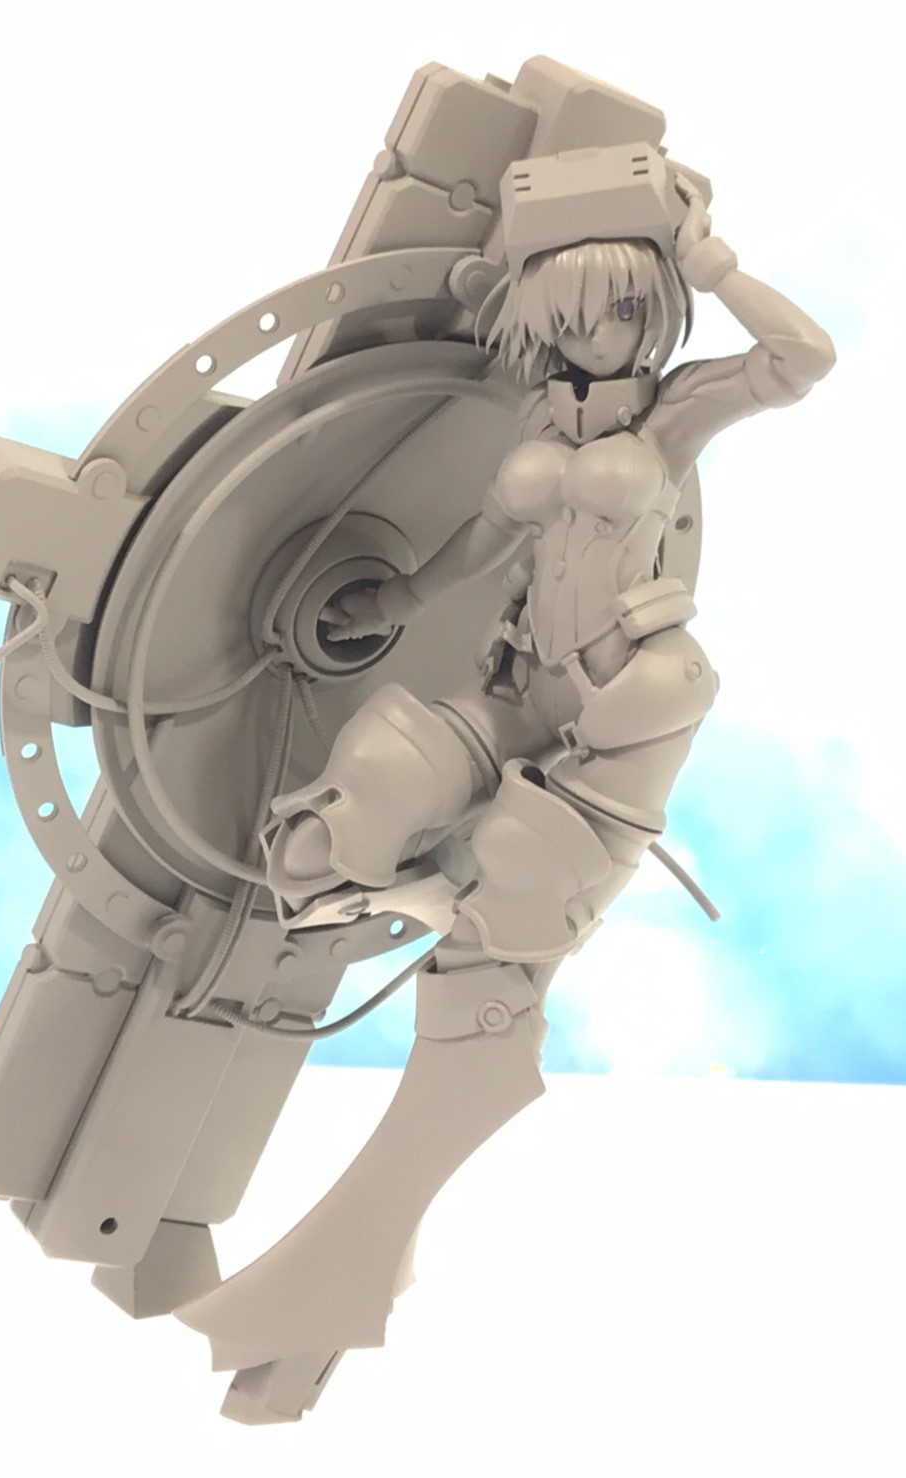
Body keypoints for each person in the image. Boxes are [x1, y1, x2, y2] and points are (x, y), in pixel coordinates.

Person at [175, 169, 836, 1419]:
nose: (608, 334)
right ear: (538, 316)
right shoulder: (536, 420)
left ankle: (330, 1293)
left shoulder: (673, 416)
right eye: (581, 313)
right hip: (515, 689)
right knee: (319, 839)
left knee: (484, 993)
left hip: (626, 709)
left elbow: (802, 359)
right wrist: (390, 599)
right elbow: (481, 547)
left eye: (630, 308)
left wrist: (711, 263)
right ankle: (430, 893)